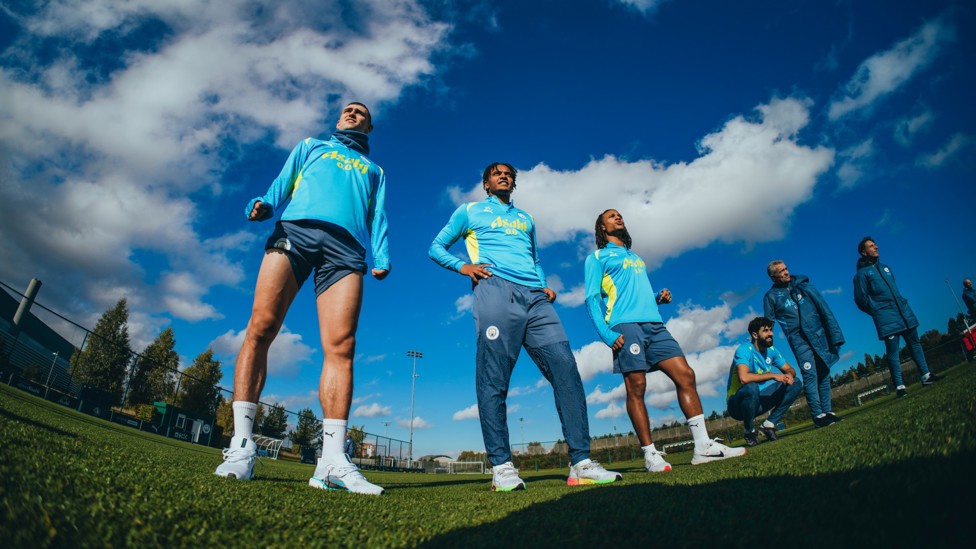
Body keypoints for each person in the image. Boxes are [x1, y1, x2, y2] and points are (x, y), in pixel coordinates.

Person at [214, 102, 389, 496]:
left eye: (360, 112)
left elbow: (378, 215)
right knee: (262, 326)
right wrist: (264, 204)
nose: (352, 114)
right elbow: (282, 183)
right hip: (296, 232)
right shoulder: (312, 145)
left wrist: (382, 254)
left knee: (342, 346)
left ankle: (331, 462)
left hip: (346, 251)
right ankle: (241, 447)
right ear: (338, 118)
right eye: (348, 110)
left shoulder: (375, 171)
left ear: (370, 126)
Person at [429, 162, 620, 491]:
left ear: (513, 183)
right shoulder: (469, 211)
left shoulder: (526, 219)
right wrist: (463, 267)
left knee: (566, 370)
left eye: (509, 174)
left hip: (536, 299)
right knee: (495, 377)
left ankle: (581, 463)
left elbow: (534, 258)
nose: (504, 176)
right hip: (495, 291)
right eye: (496, 174)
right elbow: (436, 247)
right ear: (487, 184)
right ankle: (502, 466)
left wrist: (544, 284)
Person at [584, 209, 747, 471]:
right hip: (625, 326)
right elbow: (592, 298)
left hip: (655, 324)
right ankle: (650, 455)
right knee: (636, 386)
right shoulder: (596, 257)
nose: (618, 218)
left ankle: (703, 446)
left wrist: (657, 296)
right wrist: (606, 334)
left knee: (686, 375)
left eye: (620, 215)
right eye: (611, 216)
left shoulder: (635, 257)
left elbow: (638, 291)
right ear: (602, 228)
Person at [853, 237, 942, 398]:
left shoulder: (886, 268)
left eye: (875, 245)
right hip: (886, 317)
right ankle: (900, 386)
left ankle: (926, 376)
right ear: (864, 252)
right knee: (893, 352)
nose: (876, 247)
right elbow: (861, 300)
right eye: (871, 246)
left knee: (915, 344)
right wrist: (878, 311)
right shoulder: (861, 275)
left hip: (903, 312)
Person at [764, 260, 845, 428]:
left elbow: (823, 309)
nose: (786, 272)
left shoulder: (802, 286)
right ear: (773, 277)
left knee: (824, 370)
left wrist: (833, 333)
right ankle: (817, 415)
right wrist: (762, 343)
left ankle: (828, 412)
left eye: (786, 269)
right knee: (810, 373)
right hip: (798, 340)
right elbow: (768, 324)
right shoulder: (770, 297)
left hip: (816, 334)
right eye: (781, 271)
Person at [726, 317, 803, 446]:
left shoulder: (771, 351)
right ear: (755, 335)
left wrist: (789, 375)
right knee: (751, 387)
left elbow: (790, 369)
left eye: (771, 330)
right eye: (766, 331)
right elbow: (744, 378)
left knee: (795, 382)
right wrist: (773, 375)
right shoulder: (744, 350)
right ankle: (749, 431)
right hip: (737, 405)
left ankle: (769, 424)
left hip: (758, 401)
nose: (771, 334)